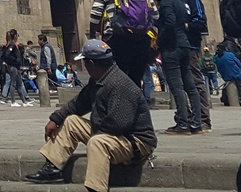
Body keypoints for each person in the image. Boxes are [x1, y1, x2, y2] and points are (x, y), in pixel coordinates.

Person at [23, 39, 157, 192]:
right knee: (72, 121)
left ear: (92, 64)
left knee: (97, 143)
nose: (85, 67)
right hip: (111, 134)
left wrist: (95, 135)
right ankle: (53, 168)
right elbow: (77, 104)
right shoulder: (98, 81)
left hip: (136, 141)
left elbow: (119, 124)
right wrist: (56, 118)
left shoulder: (119, 84)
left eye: (86, 63)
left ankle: (96, 188)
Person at [88, 0, 157, 88]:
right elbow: (155, 15)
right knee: (135, 82)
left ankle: (121, 108)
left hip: (117, 38)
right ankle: (138, 108)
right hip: (142, 40)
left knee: (118, 80)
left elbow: (96, 12)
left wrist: (92, 36)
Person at [163, 0, 211, 130]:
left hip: (190, 45)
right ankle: (185, 117)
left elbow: (201, 21)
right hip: (175, 45)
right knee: (180, 83)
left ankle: (203, 118)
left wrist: (185, 25)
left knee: (195, 81)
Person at [156, 0, 202, 135]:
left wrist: (159, 41)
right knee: (190, 85)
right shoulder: (179, 2)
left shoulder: (167, 2)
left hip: (172, 47)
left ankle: (183, 123)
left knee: (177, 86)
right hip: (185, 44)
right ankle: (196, 123)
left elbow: (168, 22)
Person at [214, 42, 241, 106]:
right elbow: (238, 63)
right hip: (236, 73)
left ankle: (225, 99)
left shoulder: (217, 57)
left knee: (226, 87)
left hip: (225, 75)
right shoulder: (230, 54)